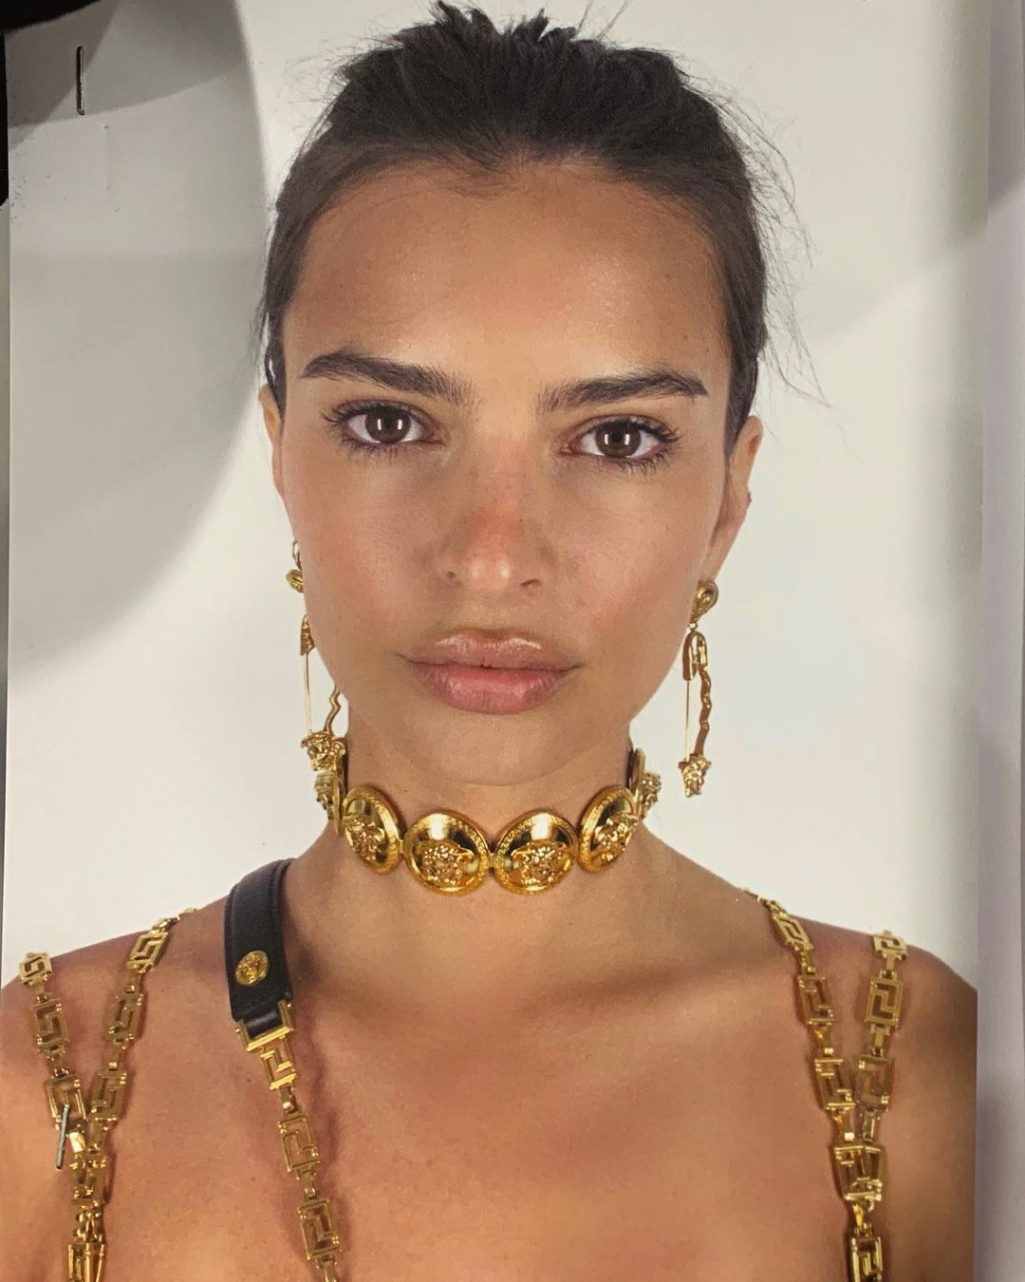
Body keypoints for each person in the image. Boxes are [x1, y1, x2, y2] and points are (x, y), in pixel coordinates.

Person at [0, 4, 976, 1279]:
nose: (490, 554)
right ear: (282, 450)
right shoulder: (48, 1092)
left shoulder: (911, 1082)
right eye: (389, 423)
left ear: (727, 497)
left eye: (616, 437)